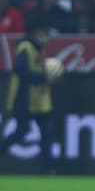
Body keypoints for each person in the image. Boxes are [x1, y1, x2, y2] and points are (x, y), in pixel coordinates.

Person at [0, 15, 58, 173]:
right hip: (24, 99)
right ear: (36, 31)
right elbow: (20, 70)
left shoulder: (37, 47)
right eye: (45, 31)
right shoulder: (26, 46)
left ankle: (48, 168)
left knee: (47, 132)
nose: (47, 35)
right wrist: (43, 78)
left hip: (40, 100)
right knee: (22, 131)